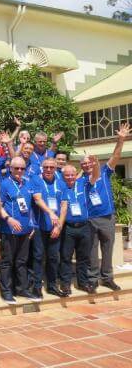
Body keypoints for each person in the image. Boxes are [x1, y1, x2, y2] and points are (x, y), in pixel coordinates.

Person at [83, 123, 130, 291]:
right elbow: (93, 177)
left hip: (107, 217)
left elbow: (116, 156)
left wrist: (121, 139)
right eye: (85, 164)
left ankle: (107, 278)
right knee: (92, 252)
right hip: (90, 220)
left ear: (95, 162)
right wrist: (94, 164)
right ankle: (93, 279)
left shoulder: (105, 171)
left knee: (108, 249)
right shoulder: (82, 181)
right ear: (82, 166)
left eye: (90, 162)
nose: (88, 165)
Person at [0, 156, 39, 304]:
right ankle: (6, 291)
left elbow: (31, 206)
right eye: (16, 168)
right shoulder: (5, 184)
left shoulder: (28, 183)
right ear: (10, 169)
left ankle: (22, 289)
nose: (19, 171)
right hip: (9, 230)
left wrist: (32, 225)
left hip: (26, 229)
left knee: (22, 261)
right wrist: (9, 219)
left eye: (22, 168)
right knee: (7, 261)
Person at [29, 158, 68, 299]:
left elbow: (64, 206)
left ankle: (52, 286)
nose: (49, 169)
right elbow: (37, 199)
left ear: (56, 168)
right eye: (46, 167)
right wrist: (51, 213)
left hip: (55, 228)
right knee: (38, 257)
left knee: (53, 258)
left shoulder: (61, 184)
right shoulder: (36, 180)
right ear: (42, 168)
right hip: (40, 226)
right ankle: (37, 287)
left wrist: (59, 226)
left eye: (52, 167)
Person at [60, 161, 100, 295]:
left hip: (84, 227)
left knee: (83, 258)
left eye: (72, 175)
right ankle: (65, 284)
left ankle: (83, 283)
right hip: (68, 228)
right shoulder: (61, 187)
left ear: (76, 175)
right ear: (63, 176)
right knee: (66, 257)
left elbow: (95, 176)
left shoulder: (82, 183)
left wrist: (95, 164)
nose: (70, 177)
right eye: (67, 175)